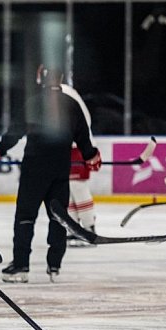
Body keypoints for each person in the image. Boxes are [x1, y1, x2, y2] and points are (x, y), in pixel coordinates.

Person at [0, 65, 100, 284]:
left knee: (25, 217)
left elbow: (15, 133)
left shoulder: (34, 101)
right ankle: (54, 265)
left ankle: (21, 266)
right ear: (61, 78)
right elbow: (84, 138)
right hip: (60, 170)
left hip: (34, 169)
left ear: (40, 78)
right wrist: (91, 156)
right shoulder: (71, 104)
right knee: (59, 218)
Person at [61, 78, 97, 248]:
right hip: (66, 147)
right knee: (67, 189)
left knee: (78, 187)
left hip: (77, 146)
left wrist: (83, 145)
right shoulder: (58, 93)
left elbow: (83, 120)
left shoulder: (66, 92)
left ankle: (89, 227)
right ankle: (74, 229)